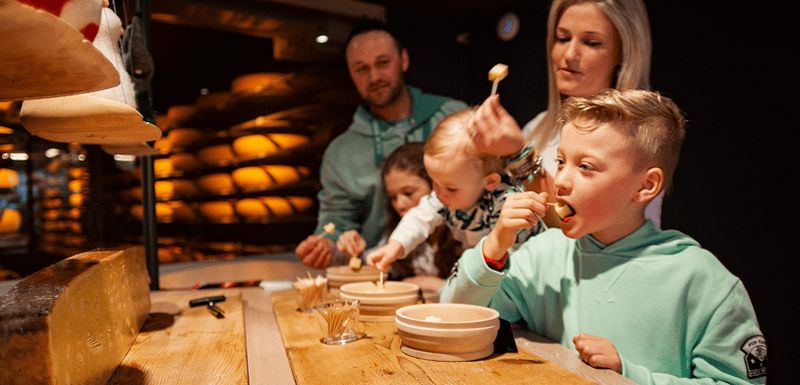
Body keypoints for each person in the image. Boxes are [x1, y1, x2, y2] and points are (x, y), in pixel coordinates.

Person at [441, 89, 766, 384]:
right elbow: (452, 317)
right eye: (560, 162)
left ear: (646, 186)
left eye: (586, 167)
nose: (562, 181)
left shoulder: (702, 281)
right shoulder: (543, 254)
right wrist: (495, 245)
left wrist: (630, 375)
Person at [471, 0, 662, 228]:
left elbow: (577, 229)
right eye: (562, 38)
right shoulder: (539, 127)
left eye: (591, 43)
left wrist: (519, 157)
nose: (570, 54)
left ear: (624, 52)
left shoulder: (636, 135)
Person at [294, 19, 467, 269]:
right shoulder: (340, 153)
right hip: (382, 276)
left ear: (403, 60)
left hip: (459, 266)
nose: (374, 76)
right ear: (350, 74)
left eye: (383, 63)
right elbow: (335, 223)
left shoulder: (454, 117)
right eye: (361, 69)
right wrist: (328, 243)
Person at [367, 108, 544, 272]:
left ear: (490, 182)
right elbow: (420, 217)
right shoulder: (444, 196)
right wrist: (396, 245)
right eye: (433, 182)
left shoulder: (507, 203)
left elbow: (518, 264)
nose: (438, 193)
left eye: (451, 188)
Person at [337, 143, 461, 293]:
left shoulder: (464, 227)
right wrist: (353, 250)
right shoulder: (397, 234)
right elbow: (373, 261)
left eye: (408, 193)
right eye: (393, 197)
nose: (399, 204)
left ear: (436, 186)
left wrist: (434, 284)